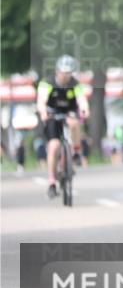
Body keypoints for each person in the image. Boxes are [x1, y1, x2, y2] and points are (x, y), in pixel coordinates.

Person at [35, 55, 89, 199]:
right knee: (54, 146)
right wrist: (43, 112)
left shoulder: (75, 84)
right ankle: (52, 182)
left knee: (74, 123)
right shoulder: (48, 82)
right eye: (63, 72)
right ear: (57, 71)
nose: (66, 76)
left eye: (69, 72)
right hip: (52, 114)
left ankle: (76, 152)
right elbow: (41, 101)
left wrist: (84, 110)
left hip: (69, 113)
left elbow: (82, 100)